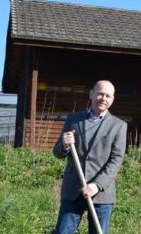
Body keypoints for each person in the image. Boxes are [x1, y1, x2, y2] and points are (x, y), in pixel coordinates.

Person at [53, 80, 128, 234]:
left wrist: (96, 185)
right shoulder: (73, 119)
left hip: (101, 193)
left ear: (112, 99)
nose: (103, 98)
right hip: (73, 189)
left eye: (108, 96)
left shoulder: (119, 126)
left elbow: (116, 160)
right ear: (91, 94)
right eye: (100, 93)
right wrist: (65, 145)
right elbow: (57, 152)